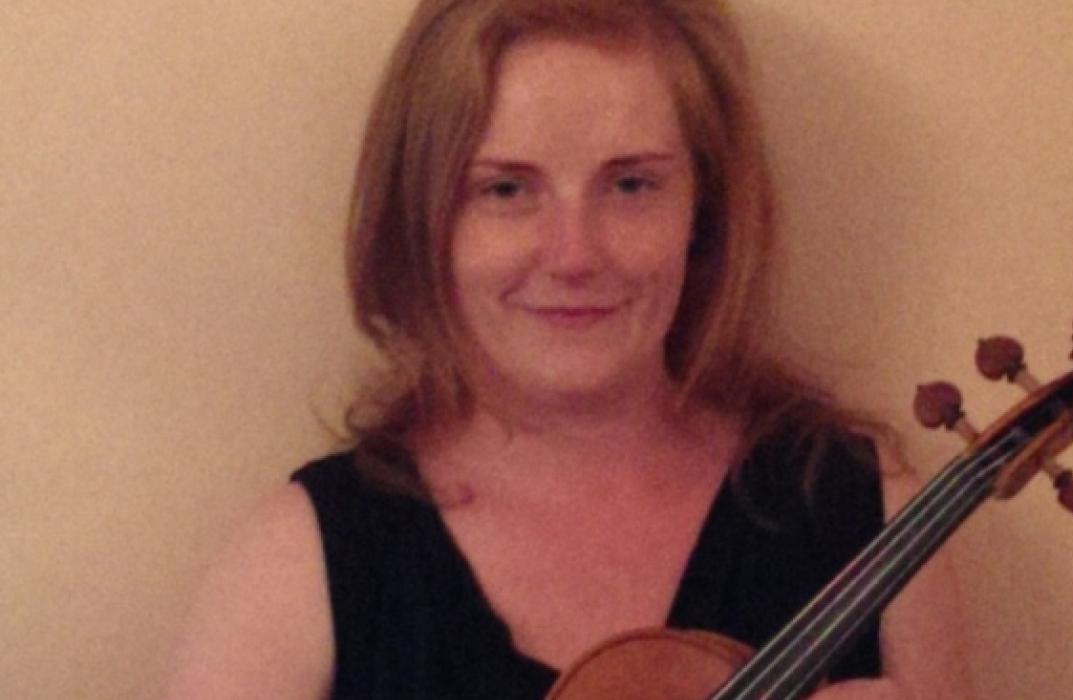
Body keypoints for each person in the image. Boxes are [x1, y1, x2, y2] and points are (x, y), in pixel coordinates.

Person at [164, 0, 972, 698]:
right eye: (505, 189)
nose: (575, 254)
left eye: (632, 184)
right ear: (424, 222)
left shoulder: (868, 521)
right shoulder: (303, 562)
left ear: (705, 212)